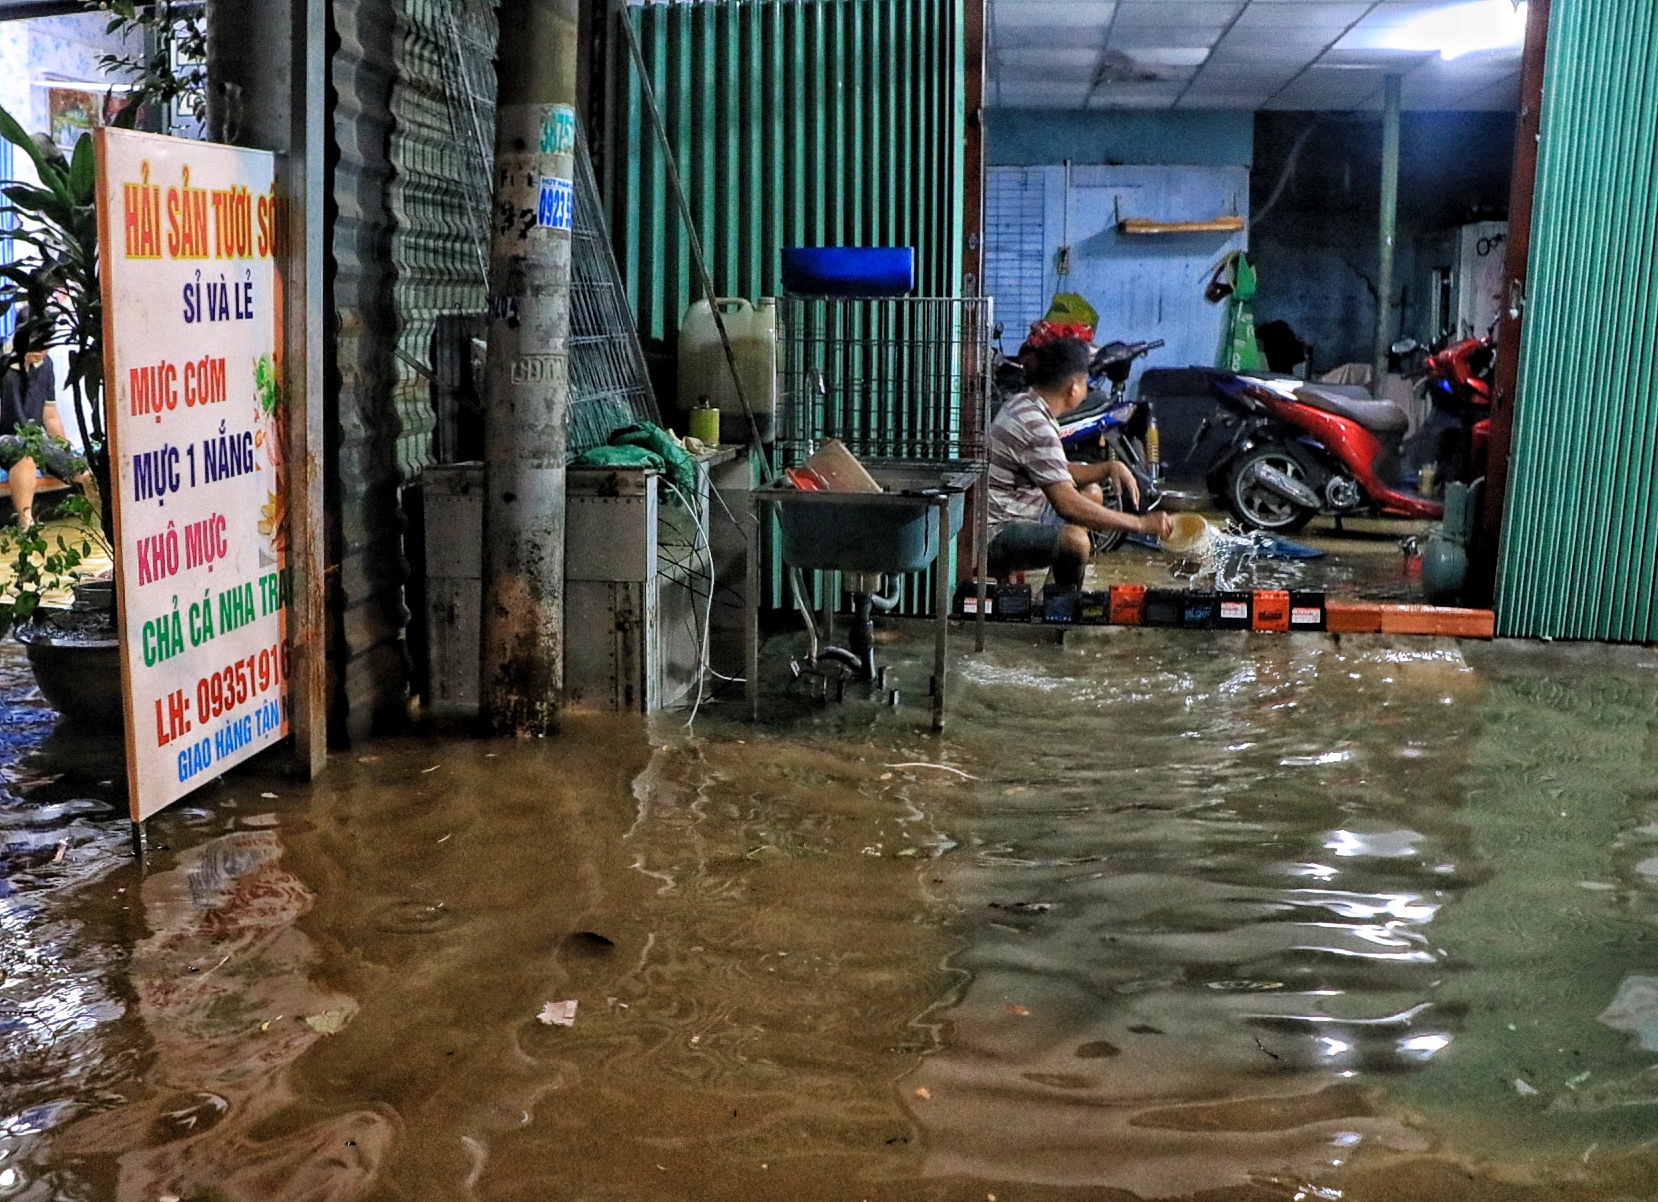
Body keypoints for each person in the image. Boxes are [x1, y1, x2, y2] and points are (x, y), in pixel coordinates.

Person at [987, 336, 1174, 588]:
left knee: (1092, 492)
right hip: (995, 532)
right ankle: (1060, 606)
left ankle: (1049, 591)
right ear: (1073, 387)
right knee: (1075, 541)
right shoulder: (1037, 426)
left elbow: (1055, 470)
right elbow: (1066, 505)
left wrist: (1109, 467)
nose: (1087, 390)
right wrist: (1141, 524)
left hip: (1020, 512)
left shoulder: (1025, 403)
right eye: (1086, 383)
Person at [0, 309, 77, 530]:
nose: (41, 352)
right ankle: (27, 524)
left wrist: (65, 452)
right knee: (25, 451)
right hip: (7, 437)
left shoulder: (46, 364)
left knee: (82, 470)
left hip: (33, 438)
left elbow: (50, 416)